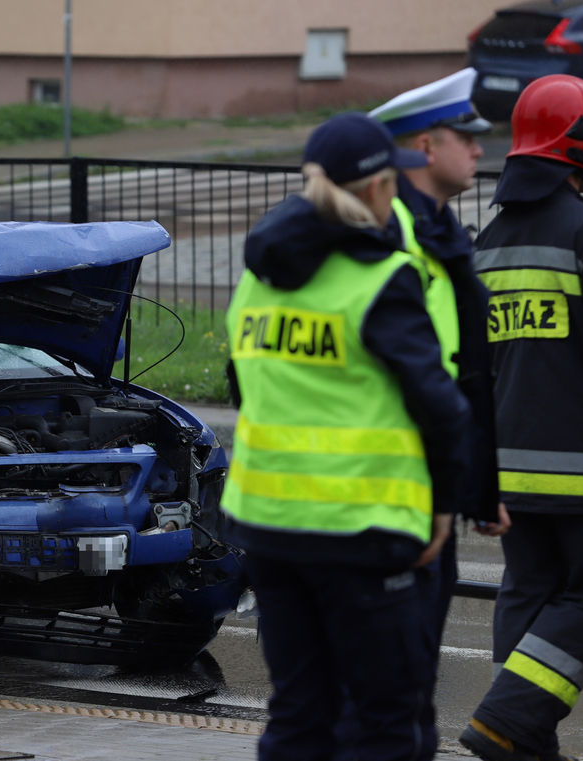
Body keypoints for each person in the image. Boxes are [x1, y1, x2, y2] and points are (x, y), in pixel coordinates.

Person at [221, 111, 473, 761]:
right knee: (388, 722)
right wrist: (443, 507)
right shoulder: (380, 279)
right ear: (378, 188)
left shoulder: (257, 278)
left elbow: (244, 387)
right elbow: (442, 408)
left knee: (299, 716)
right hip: (361, 531)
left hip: (268, 527)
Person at [458, 74, 583, 761]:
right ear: (582, 148)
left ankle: (527, 739)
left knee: (531, 589)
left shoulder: (488, 244)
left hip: (510, 471)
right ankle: (508, 718)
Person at [354, 67, 511, 753]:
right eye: (466, 137)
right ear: (423, 145)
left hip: (432, 493)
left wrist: (481, 487)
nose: (481, 150)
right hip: (389, 496)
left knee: (413, 682)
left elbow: (467, 371)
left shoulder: (444, 234)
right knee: (386, 691)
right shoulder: (393, 240)